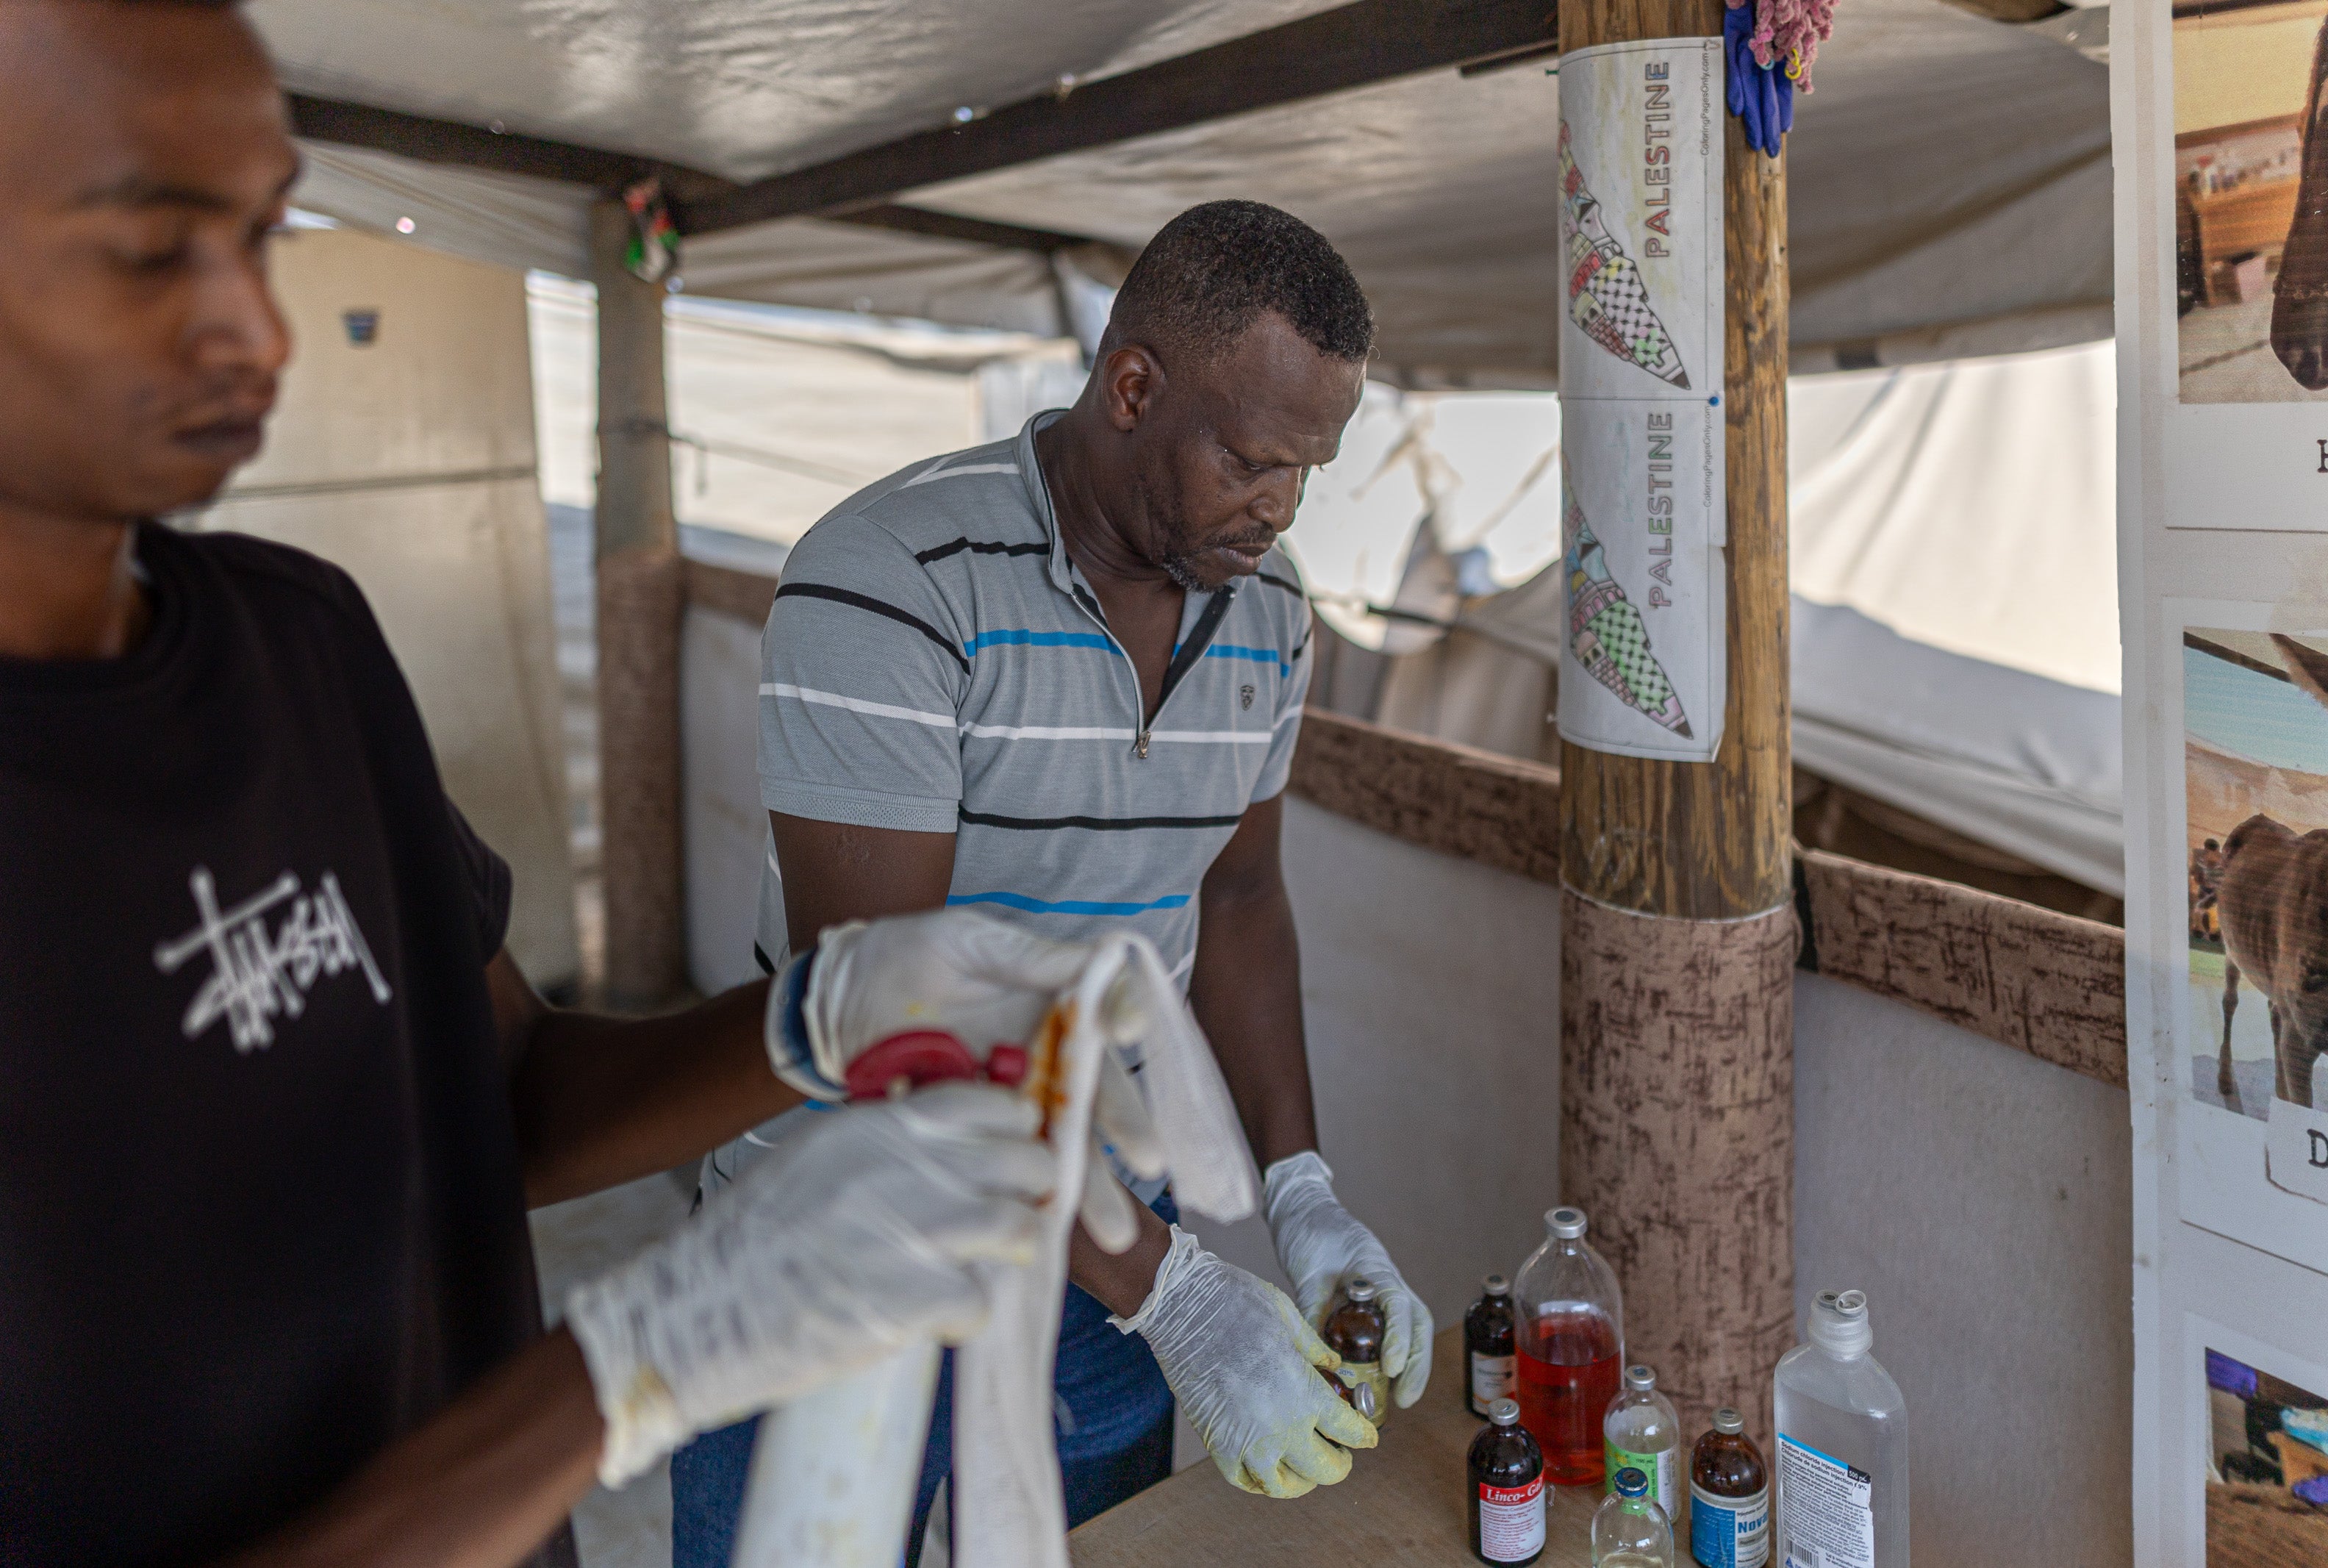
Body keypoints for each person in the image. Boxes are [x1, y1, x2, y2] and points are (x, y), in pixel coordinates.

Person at [0, 4, 1068, 1564]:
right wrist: (630, 1368)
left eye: (261, 232)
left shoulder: (298, 642)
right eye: (155, 251)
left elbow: (492, 1094)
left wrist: (828, 1015)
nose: (258, 329)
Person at [671, 200, 1437, 1558]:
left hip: (1102, 1237)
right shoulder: (888, 581)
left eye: (1310, 470)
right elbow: (895, 1015)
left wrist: (1300, 1188)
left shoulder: (1269, 613)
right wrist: (1181, 1301)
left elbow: (1239, 894)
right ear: (1131, 385)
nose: (1281, 507)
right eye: (1254, 459)